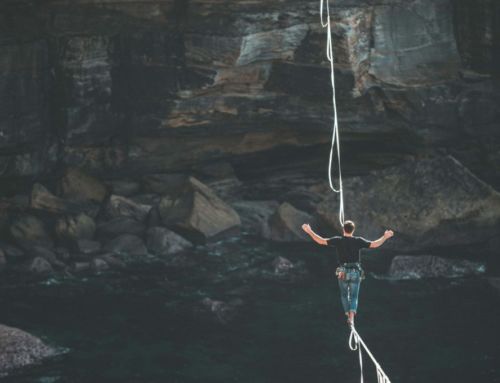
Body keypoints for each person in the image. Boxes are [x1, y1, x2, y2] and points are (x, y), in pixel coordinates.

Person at [301, 220, 394, 327]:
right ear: (353, 230)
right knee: (354, 297)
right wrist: (385, 237)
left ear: (343, 229)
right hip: (355, 271)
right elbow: (374, 245)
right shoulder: (358, 240)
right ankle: (351, 318)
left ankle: (347, 314)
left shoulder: (338, 240)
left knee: (344, 295)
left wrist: (309, 231)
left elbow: (321, 241)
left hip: (343, 271)